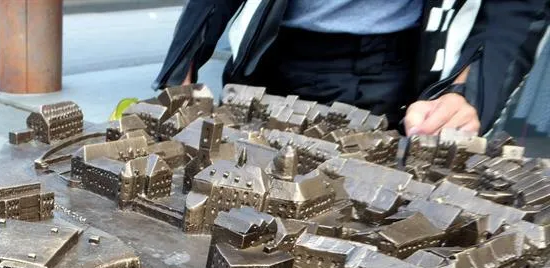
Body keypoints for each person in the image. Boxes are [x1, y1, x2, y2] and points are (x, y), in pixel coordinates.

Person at [154, 0, 548, 135]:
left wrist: (470, 90)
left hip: (389, 74)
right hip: (265, 60)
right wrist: (181, 72)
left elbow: (518, 8)